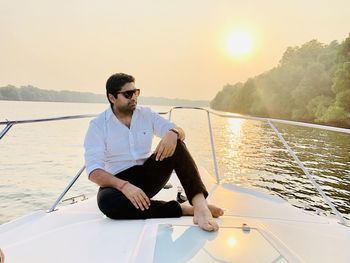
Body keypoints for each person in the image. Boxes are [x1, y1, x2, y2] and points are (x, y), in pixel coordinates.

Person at [84, 73, 223, 232]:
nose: (134, 97)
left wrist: (174, 133)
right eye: (128, 94)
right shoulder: (98, 125)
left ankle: (200, 206)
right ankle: (183, 209)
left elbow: (179, 131)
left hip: (149, 175)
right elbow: (94, 171)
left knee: (177, 143)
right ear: (112, 97)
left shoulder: (146, 114)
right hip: (118, 181)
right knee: (107, 203)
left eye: (136, 92)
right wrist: (124, 186)